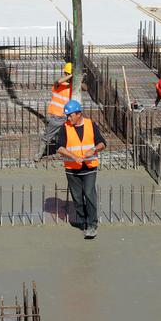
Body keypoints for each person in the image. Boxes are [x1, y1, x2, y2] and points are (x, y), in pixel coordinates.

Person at [56, 99, 105, 240]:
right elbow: (60, 147)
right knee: (77, 198)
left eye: (70, 115)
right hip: (72, 168)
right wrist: (73, 156)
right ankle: (83, 220)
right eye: (67, 116)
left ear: (78, 114)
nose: (68, 118)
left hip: (89, 167)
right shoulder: (65, 127)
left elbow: (102, 143)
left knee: (89, 193)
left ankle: (92, 224)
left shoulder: (91, 125)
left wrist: (94, 149)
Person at [38, 62, 74, 159]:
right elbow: (57, 81)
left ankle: (62, 152)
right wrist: (72, 75)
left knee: (65, 136)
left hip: (67, 117)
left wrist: (78, 79)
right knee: (47, 137)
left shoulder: (73, 86)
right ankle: (37, 156)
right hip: (56, 116)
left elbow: (85, 88)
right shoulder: (58, 85)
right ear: (67, 74)